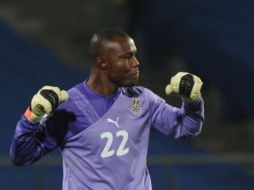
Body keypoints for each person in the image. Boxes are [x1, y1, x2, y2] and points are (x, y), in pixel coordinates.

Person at [10, 28, 204, 190]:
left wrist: (192, 101)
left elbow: (186, 127)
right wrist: (32, 117)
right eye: (127, 57)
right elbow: (22, 156)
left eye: (134, 55)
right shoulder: (69, 107)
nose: (136, 63)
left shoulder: (142, 99)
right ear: (102, 62)